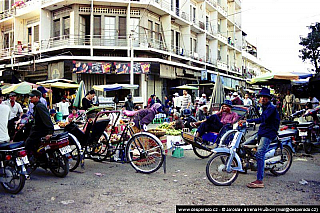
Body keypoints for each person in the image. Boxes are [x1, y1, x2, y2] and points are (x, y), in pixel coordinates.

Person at [238, 87, 280, 188]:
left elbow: (262, 119)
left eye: (265, 97)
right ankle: (245, 166)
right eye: (261, 97)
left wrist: (247, 121)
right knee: (244, 145)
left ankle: (259, 180)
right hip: (262, 131)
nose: (263, 99)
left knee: (260, 154)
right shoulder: (262, 107)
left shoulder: (271, 108)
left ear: (269, 98)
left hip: (269, 133)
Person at [25, 90, 54, 155]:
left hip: (40, 131)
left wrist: (50, 132)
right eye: (30, 97)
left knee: (27, 144)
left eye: (32, 97)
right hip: (38, 130)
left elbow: (47, 119)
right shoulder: (37, 106)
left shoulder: (39, 106)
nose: (30, 98)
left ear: (37, 97)